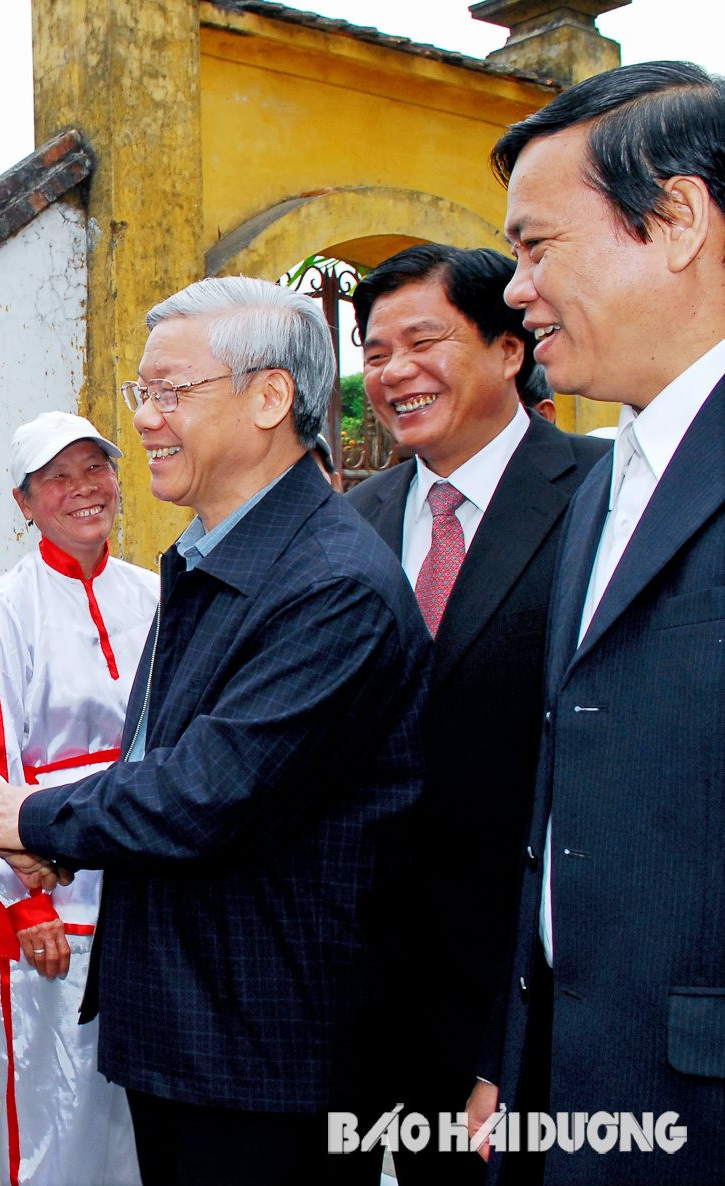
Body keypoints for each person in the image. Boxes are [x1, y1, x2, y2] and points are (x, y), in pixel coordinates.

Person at [0, 277, 431, 1186]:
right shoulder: (214, 552)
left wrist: (37, 821)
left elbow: (211, 789)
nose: (147, 422)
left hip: (266, 1048)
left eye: (172, 392)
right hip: (198, 1023)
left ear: (270, 398)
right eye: (142, 394)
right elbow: (155, 756)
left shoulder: (328, 585)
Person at [467, 61, 725, 1186]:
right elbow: (559, 799)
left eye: (535, 246)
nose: (513, 289)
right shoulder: (598, 485)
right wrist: (506, 1056)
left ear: (670, 221)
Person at [347, 243, 609, 1186]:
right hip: (361, 983)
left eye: (424, 340)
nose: (394, 372)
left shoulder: (604, 494)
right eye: (375, 352)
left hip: (524, 984)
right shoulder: (353, 520)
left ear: (509, 349)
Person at [0, 410, 155, 1186]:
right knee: (56, 1104)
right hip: (54, 891)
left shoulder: (156, 593)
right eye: (58, 478)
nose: (83, 490)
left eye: (95, 469)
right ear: (24, 501)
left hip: (144, 881)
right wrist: (23, 905)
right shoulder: (3, 612)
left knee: (138, 1108)